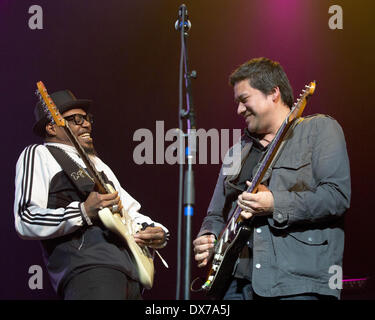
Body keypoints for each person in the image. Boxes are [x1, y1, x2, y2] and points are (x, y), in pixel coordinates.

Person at [193, 57, 351, 300]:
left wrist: (275, 204)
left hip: (296, 283)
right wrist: (209, 236)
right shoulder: (237, 152)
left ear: (273, 93)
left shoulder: (319, 130)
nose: (239, 110)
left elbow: (336, 197)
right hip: (235, 284)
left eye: (244, 100)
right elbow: (216, 214)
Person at [14, 89, 169, 300]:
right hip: (88, 268)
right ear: (51, 127)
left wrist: (153, 230)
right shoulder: (39, 154)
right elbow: (26, 217)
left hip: (130, 274)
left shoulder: (98, 165)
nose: (86, 124)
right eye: (75, 119)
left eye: (87, 118)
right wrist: (83, 211)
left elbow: (129, 212)